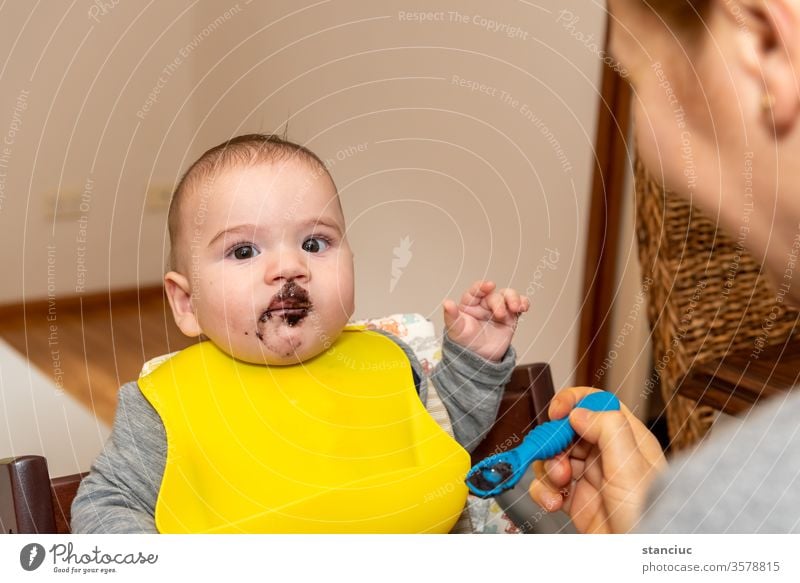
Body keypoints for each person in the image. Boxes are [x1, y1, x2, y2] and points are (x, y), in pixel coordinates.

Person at [71, 134, 530, 533]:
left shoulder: (384, 361)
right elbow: (108, 502)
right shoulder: (165, 405)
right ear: (187, 304)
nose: (290, 266)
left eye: (314, 244)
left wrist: (476, 358)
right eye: (244, 250)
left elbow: (440, 447)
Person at [530, 0, 800, 533]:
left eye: (636, 75)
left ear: (763, 46)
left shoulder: (731, 511)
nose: (645, 142)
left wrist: (676, 528)